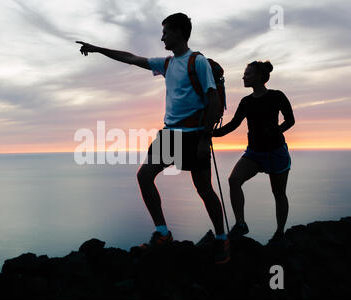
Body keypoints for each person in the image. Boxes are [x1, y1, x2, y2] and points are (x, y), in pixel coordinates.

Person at [76, 13, 230, 263]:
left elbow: (213, 100)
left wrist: (204, 139)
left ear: (179, 33)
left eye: (166, 32)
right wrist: (96, 49)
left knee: (204, 189)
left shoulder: (197, 61)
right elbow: (131, 58)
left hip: (193, 135)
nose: (162, 37)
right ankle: (162, 233)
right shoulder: (167, 64)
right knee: (144, 176)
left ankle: (222, 239)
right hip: (170, 133)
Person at [212, 61, 295, 245]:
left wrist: (276, 131)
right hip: (255, 153)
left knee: (279, 193)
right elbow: (234, 124)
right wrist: (213, 133)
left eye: (247, 74)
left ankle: (280, 232)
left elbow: (290, 120)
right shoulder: (246, 102)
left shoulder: (277, 96)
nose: (243, 77)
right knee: (234, 180)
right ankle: (241, 224)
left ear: (258, 77)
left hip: (276, 152)